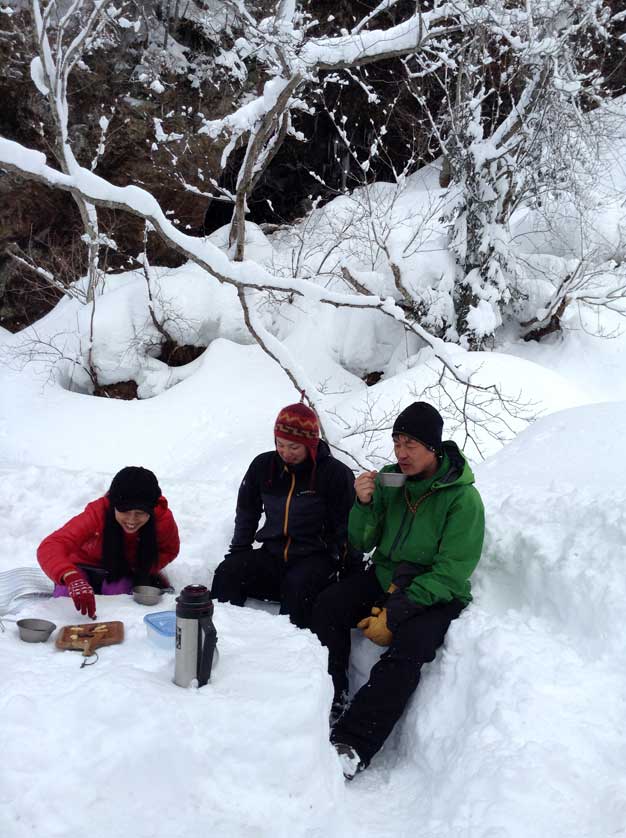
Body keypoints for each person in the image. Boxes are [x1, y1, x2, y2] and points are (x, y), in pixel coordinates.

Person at [310, 401, 485, 779]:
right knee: (328, 605)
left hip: (434, 591)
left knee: (409, 648)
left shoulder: (462, 498)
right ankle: (335, 694)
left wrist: (398, 610)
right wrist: (363, 503)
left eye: (411, 445)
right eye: (396, 442)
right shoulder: (393, 481)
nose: (401, 453)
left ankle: (353, 743)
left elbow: (453, 571)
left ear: (433, 448)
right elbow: (362, 540)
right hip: (386, 574)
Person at [211, 400, 360, 629]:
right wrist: (239, 551)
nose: (285, 452)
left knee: (298, 587)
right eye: (280, 444)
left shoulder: (334, 474)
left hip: (316, 559)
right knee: (228, 572)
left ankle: (292, 653)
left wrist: (348, 569)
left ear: (310, 444)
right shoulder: (263, 466)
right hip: (273, 554)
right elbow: (247, 511)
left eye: (294, 447)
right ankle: (222, 636)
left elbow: (347, 526)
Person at [37, 466, 180, 619]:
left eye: (140, 513)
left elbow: (170, 550)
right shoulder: (97, 513)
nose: (131, 520)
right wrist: (71, 576)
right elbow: (52, 545)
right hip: (82, 566)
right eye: (124, 511)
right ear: (113, 505)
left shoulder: (162, 519)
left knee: (119, 595)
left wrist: (142, 568)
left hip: (122, 569)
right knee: (66, 597)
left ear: (152, 509)